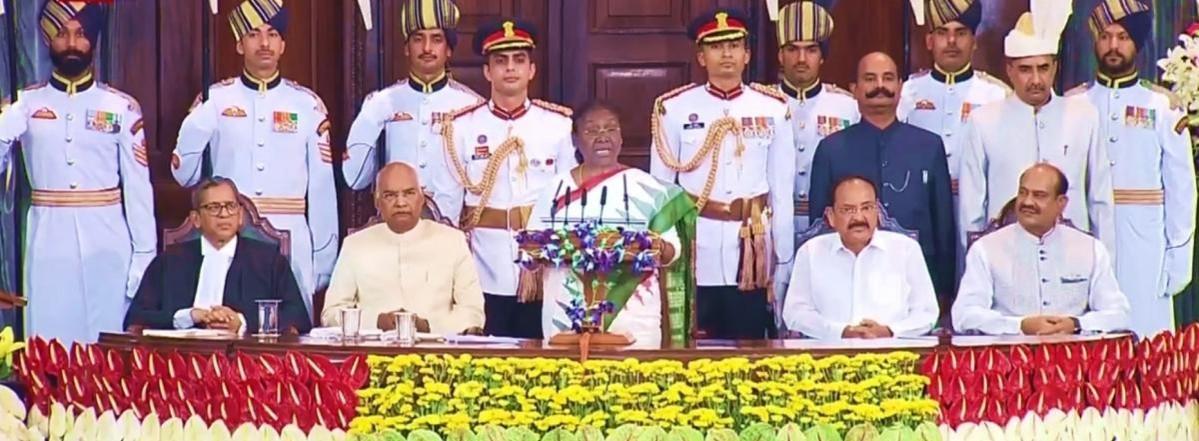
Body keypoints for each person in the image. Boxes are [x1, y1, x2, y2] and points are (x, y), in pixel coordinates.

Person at [0, 1, 155, 343]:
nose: (72, 43)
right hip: (48, 235)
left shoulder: (121, 107)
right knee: (49, 334)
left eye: (81, 34)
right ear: (48, 40)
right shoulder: (25, 103)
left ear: (92, 41)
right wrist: (3, 133)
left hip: (107, 237)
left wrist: (145, 255)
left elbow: (138, 188)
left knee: (106, 336)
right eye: (62, 33)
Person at [173, 0, 338, 318]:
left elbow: (322, 189)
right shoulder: (215, 99)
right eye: (253, 34)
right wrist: (196, 126)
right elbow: (184, 176)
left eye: (272, 34)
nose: (264, 43)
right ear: (239, 44)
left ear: (283, 44)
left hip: (291, 234)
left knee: (290, 328)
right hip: (230, 233)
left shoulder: (307, 105)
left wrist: (323, 258)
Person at [650, 8, 796, 339]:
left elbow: (781, 189)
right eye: (716, 47)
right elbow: (662, 191)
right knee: (693, 346)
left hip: (751, 247)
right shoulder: (673, 108)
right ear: (701, 57)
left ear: (747, 54)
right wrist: (665, 253)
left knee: (750, 345)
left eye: (734, 45)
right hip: (696, 243)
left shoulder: (773, 108)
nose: (726, 54)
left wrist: (783, 257)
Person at [1067, 0, 1196, 337]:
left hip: (1146, 244)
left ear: (1136, 44)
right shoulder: (1073, 104)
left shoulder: (1162, 107)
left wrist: (1178, 258)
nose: (1113, 46)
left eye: (1123, 37)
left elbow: (1182, 190)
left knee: (1147, 333)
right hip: (1086, 235)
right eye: (1105, 36)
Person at [441, 18, 575, 338]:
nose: (510, 68)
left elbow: (568, 200)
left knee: (540, 351)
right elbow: (449, 202)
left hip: (541, 263)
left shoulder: (558, 125)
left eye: (519, 60)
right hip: (483, 262)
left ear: (532, 70)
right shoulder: (461, 126)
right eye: (501, 61)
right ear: (488, 72)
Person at [531, 102, 696, 346]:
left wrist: (654, 246)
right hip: (565, 316)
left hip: (635, 319)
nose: (603, 137)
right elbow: (532, 245)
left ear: (621, 137)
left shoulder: (650, 188)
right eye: (591, 130)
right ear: (575, 140)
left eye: (610, 129)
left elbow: (673, 251)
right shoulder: (555, 188)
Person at [958, 1, 1115, 256]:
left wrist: (1104, 262)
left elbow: (1100, 200)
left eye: (1043, 68)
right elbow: (971, 209)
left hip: (1072, 253)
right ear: (1009, 70)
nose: (1036, 80)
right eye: (1025, 70)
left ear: (1055, 67)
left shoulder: (1084, 116)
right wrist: (974, 265)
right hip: (1005, 254)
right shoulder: (983, 120)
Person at [808, 52, 956, 306]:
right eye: (870, 79)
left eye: (888, 78)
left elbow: (943, 223)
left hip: (917, 278)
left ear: (900, 86)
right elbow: (819, 226)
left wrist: (944, 289)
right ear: (854, 89)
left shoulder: (929, 145)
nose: (880, 86)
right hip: (847, 278)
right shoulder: (831, 149)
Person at [343, 0, 482, 224]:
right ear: (406, 47)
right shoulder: (382, 102)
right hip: (394, 232)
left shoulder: (471, 105)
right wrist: (373, 115)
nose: (427, 48)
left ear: (448, 49)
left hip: (450, 233)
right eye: (418, 39)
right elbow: (354, 178)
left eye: (436, 39)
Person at [952, 163, 1131, 335]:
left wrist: (1076, 324)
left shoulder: (1091, 249)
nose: (1027, 202)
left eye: (1039, 195)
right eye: (1023, 193)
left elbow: (1119, 314)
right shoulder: (985, 249)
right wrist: (1019, 326)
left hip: (1073, 351)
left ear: (1061, 203)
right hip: (1009, 352)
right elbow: (964, 315)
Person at [124, 178, 311, 335]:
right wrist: (188, 317)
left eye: (230, 206)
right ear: (196, 219)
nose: (224, 214)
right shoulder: (169, 261)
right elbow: (136, 317)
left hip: (244, 360)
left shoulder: (269, 260)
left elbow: (298, 317)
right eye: (213, 207)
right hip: (182, 358)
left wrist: (242, 323)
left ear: (240, 215)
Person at [321, 163, 485, 335]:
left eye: (409, 193)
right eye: (390, 195)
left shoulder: (452, 241)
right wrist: (375, 322)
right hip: (372, 348)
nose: (400, 203)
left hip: (436, 348)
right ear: (377, 202)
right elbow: (330, 314)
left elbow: (473, 313)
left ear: (422, 198)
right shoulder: (355, 245)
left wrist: (428, 326)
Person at [783, 176, 939, 339]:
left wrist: (889, 331)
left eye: (866, 208)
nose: (858, 217)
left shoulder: (906, 250)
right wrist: (840, 332)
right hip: (830, 350)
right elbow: (795, 313)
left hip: (893, 350)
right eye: (848, 210)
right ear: (831, 216)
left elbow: (926, 313)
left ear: (877, 211)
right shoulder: (810, 252)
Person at [774, 1, 859, 233]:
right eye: (792, 49)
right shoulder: (764, 105)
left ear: (822, 56)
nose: (801, 59)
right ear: (780, 55)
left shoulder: (847, 107)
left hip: (829, 224)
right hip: (774, 223)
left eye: (811, 50)